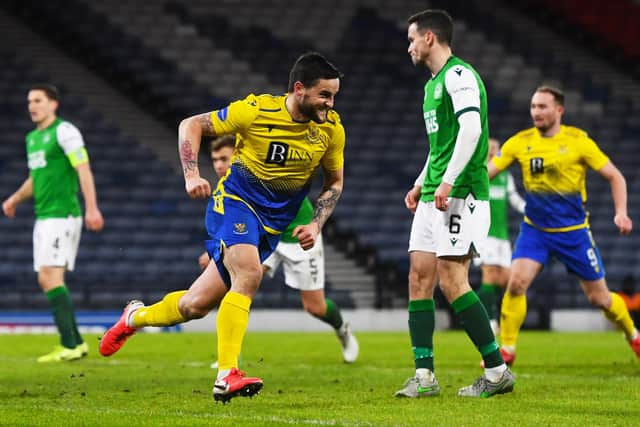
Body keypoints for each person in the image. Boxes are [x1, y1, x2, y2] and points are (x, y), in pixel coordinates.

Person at [99, 52, 347, 403]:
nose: (330, 103)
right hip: (236, 203)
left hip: (273, 226)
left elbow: (334, 182)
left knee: (194, 306)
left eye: (334, 96)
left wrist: (316, 222)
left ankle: (133, 318)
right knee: (249, 274)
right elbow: (191, 124)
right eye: (324, 95)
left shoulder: (331, 130)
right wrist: (191, 174)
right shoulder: (257, 110)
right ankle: (226, 374)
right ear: (299, 89)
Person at [395, 10, 514, 399]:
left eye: (412, 38)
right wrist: (420, 183)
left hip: (461, 192)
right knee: (419, 277)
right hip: (434, 193)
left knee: (451, 280)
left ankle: (496, 371)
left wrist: (447, 182)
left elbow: (472, 129)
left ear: (430, 38)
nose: (409, 46)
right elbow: (439, 148)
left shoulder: (459, 76)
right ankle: (425, 376)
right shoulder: (431, 86)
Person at [490, 85, 640, 365]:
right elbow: (489, 172)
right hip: (535, 230)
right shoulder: (520, 142)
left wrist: (621, 212)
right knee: (517, 283)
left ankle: (633, 335)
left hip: (573, 233)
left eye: (543, 107)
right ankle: (506, 349)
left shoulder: (578, 141)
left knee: (600, 299)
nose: (536, 112)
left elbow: (615, 176)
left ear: (559, 110)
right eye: (533, 106)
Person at [199, 136, 358, 368]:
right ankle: (230, 358)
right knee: (239, 287)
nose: (219, 165)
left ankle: (342, 329)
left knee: (315, 307)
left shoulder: (262, 170)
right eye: (215, 160)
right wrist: (219, 251)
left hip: (297, 234)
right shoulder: (231, 184)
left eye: (224, 158)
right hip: (265, 238)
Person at [2, 84, 104, 362]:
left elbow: (83, 168)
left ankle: (71, 344)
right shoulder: (32, 139)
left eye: (38, 100)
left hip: (63, 214)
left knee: (50, 276)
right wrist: (14, 199)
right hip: (44, 215)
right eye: (29, 101)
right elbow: (35, 180)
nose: (32, 105)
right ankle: (75, 343)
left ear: (53, 104)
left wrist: (92, 207)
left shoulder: (65, 131)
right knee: (46, 278)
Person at [474, 138, 525, 334]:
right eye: (491, 148)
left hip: (502, 236)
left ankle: (472, 311)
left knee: (505, 279)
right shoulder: (478, 173)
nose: (494, 152)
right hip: (483, 234)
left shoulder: (505, 176)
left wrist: (530, 209)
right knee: (489, 274)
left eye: (497, 149)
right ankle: (490, 319)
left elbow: (514, 199)